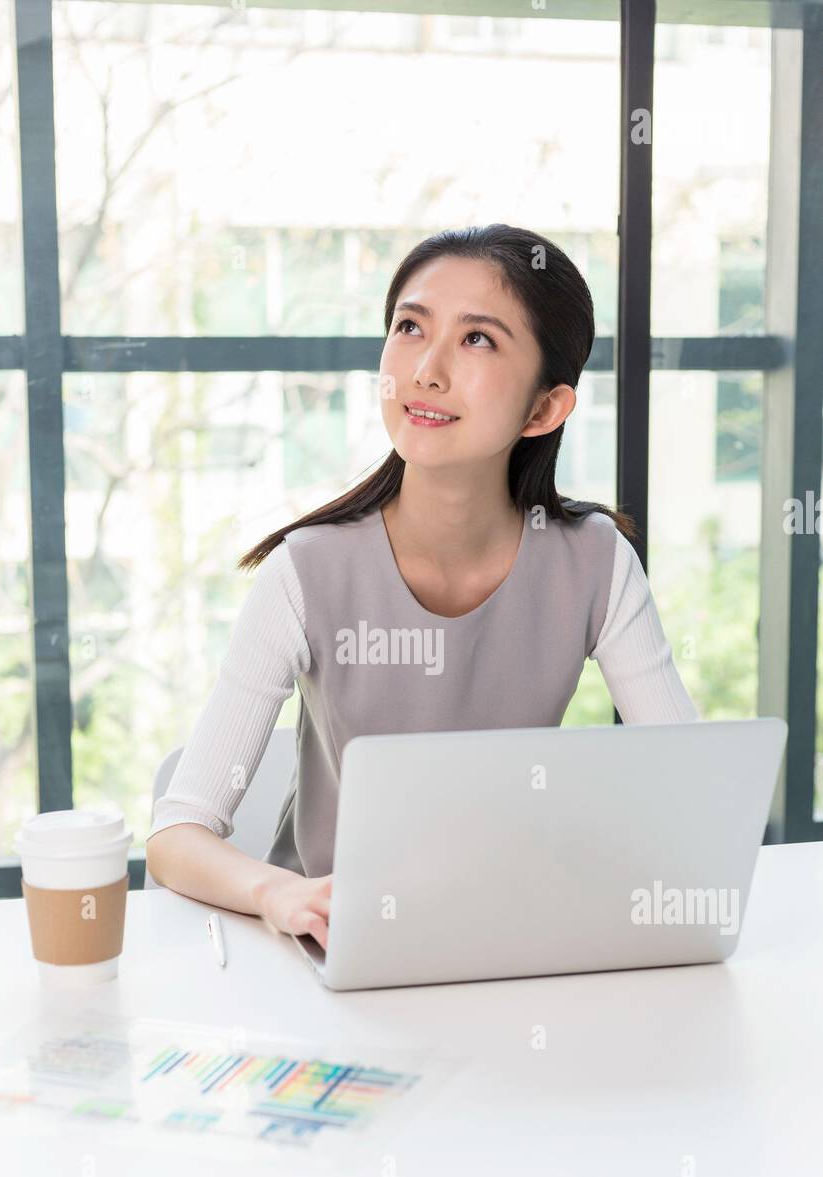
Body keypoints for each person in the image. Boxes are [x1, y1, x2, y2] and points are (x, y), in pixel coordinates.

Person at [145, 223, 699, 950]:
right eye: (410, 327)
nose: (426, 371)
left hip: (506, 945)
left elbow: (693, 794)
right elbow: (176, 836)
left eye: (478, 340)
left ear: (545, 409)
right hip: (325, 956)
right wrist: (280, 892)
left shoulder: (593, 563)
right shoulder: (307, 571)